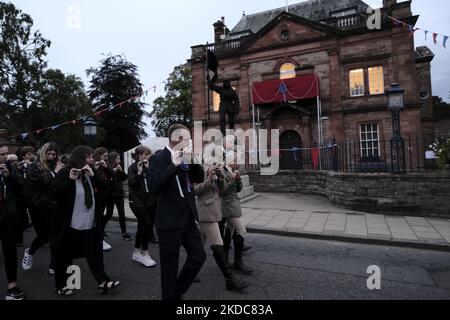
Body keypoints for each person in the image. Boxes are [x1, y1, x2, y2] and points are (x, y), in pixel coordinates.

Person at [50, 145, 120, 296]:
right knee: (65, 256)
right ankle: (61, 285)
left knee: (94, 254)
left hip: (90, 222)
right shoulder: (65, 172)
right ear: (80, 158)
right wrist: (70, 180)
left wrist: (94, 177)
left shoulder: (90, 172)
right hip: (70, 224)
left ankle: (103, 282)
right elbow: (53, 194)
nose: (91, 159)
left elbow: (107, 190)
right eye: (88, 157)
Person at [148, 124, 206, 300]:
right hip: (169, 221)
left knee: (199, 256)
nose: (190, 142)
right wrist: (173, 166)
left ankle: (176, 292)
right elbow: (153, 186)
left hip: (187, 219)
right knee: (169, 268)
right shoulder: (159, 158)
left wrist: (194, 160)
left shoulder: (187, 157)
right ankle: (170, 297)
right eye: (187, 139)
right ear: (177, 139)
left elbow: (199, 178)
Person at [194, 159, 248, 292]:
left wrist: (220, 177)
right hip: (205, 211)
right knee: (218, 243)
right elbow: (195, 190)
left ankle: (191, 272)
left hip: (215, 209)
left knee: (199, 245)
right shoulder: (196, 167)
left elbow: (223, 190)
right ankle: (230, 280)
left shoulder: (216, 168)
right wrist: (210, 178)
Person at [22, 142, 63, 274]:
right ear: (43, 153)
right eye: (49, 154)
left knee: (54, 236)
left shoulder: (56, 166)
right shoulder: (33, 167)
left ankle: (54, 264)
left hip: (53, 205)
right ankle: (30, 252)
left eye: (54, 154)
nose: (51, 156)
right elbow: (41, 183)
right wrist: (54, 173)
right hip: (38, 206)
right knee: (43, 236)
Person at [221, 136, 253, 275]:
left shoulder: (233, 171)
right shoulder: (222, 171)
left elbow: (238, 189)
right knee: (241, 230)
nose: (238, 163)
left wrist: (238, 181)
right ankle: (237, 262)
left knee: (230, 231)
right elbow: (222, 191)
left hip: (233, 204)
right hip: (227, 206)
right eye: (236, 161)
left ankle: (226, 259)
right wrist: (233, 180)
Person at [0, 144, 27, 300]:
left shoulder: (10, 168)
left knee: (10, 251)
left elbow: (21, 186)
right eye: (2, 154)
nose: (5, 157)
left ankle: (12, 287)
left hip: (7, 217)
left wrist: (8, 176)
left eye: (6, 154)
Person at [127, 146, 157, 267]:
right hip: (136, 202)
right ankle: (145, 253)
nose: (147, 156)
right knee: (146, 225)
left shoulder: (149, 166)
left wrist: (150, 171)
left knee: (141, 226)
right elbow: (132, 185)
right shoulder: (132, 168)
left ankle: (136, 252)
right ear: (139, 155)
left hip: (148, 201)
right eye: (145, 154)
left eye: (148, 154)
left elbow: (153, 182)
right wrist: (139, 173)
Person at [103, 152, 132, 241]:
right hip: (110, 195)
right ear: (113, 159)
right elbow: (107, 181)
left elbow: (124, 178)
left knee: (122, 213)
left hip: (119, 194)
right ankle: (101, 229)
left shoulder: (118, 167)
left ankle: (124, 233)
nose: (119, 160)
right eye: (118, 158)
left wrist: (121, 171)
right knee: (109, 213)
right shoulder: (107, 168)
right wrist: (113, 172)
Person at [92, 147, 113, 251]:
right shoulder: (92, 165)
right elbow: (93, 181)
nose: (106, 157)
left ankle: (98, 235)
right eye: (104, 156)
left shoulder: (105, 164)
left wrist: (106, 168)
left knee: (107, 214)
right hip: (96, 196)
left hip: (106, 195)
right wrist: (94, 170)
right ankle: (99, 239)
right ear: (98, 155)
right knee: (98, 218)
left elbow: (111, 177)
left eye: (106, 156)